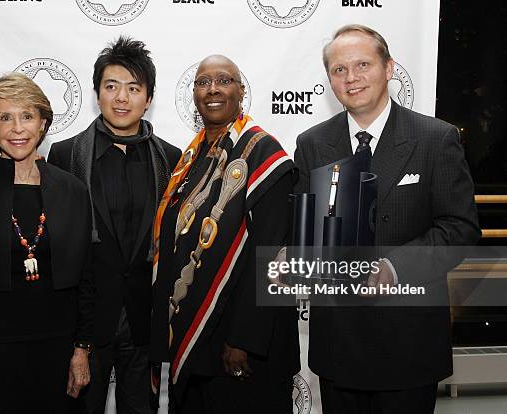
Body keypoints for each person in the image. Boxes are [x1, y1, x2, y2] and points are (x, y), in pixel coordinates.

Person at [294, 24, 481, 413]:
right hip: (338, 346)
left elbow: (459, 229)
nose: (352, 78)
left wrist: (394, 268)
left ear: (390, 68)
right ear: (329, 79)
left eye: (363, 64)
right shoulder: (311, 144)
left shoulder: (435, 138)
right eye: (339, 70)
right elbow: (305, 224)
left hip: (408, 344)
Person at [150, 55, 300, 414]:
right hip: (196, 339)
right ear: (195, 94)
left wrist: (243, 340)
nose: (213, 88)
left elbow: (275, 255)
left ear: (241, 91)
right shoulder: (190, 158)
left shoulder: (265, 154)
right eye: (203, 82)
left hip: (242, 346)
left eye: (224, 80)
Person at [0, 73, 94, 413]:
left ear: (43, 123)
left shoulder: (73, 191)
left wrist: (82, 349)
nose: (17, 128)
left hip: (60, 346)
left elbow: (86, 278)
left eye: (27, 116)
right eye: (5, 117)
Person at [48, 36, 181, 414]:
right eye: (111, 86)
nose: (121, 98)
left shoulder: (171, 160)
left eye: (133, 88)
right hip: (85, 324)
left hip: (145, 320)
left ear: (148, 99)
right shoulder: (65, 155)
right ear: (97, 93)